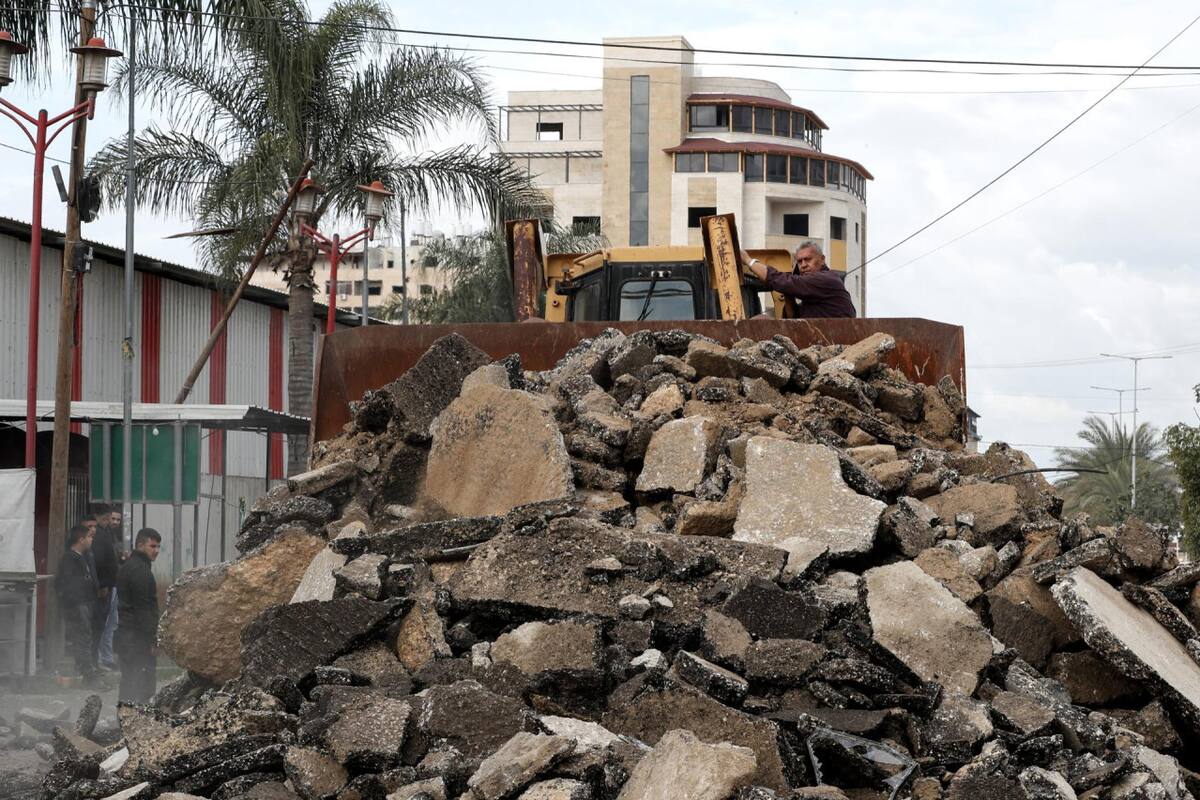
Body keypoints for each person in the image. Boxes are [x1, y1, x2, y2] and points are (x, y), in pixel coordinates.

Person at [740, 242, 856, 318]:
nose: (803, 265)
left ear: (822, 259)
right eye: (799, 261)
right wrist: (789, 293)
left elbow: (782, 280)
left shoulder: (826, 279)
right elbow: (793, 320)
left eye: (808, 259)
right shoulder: (813, 298)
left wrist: (747, 260)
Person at [116, 528, 161, 703]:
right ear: (140, 545)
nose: (156, 550)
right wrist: (152, 640)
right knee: (143, 683)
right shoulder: (141, 571)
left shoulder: (130, 566)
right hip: (137, 638)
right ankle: (136, 722)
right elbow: (144, 609)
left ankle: (126, 719)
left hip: (127, 635)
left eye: (158, 546)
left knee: (129, 681)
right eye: (152, 546)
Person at [55, 524, 100, 685]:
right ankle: (87, 675)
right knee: (82, 638)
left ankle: (85, 672)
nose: (91, 540)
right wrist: (77, 602)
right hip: (78, 605)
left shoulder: (82, 557)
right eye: (89, 537)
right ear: (81, 539)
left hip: (84, 603)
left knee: (85, 637)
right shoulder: (70, 558)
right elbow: (66, 584)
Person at [90, 507, 121, 670]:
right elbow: (100, 562)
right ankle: (101, 658)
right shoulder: (99, 536)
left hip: (111, 584)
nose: (110, 522)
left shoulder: (108, 534)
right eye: (106, 518)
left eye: (111, 518)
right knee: (103, 623)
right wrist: (104, 584)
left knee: (110, 623)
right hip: (106, 586)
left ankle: (105, 657)